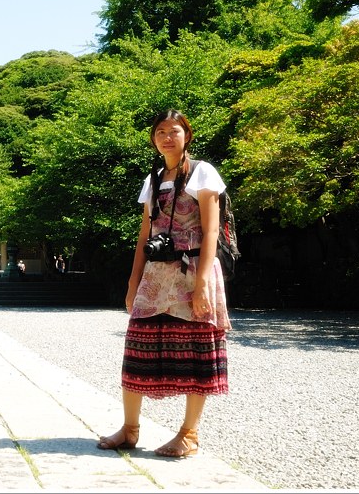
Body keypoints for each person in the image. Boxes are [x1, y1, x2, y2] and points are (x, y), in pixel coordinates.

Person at [97, 109, 230, 459]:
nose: (166, 137)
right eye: (160, 132)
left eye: (174, 131)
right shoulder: (154, 178)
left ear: (187, 134)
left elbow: (211, 229)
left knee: (197, 349)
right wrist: (132, 282)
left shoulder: (203, 172)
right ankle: (129, 429)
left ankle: (189, 434)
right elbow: (145, 233)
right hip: (157, 274)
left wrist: (202, 284)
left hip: (193, 269)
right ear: (153, 139)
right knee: (138, 348)